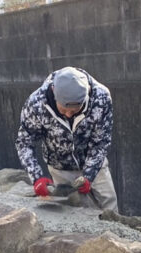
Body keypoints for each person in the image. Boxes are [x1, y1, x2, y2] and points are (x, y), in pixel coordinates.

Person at [15, 66, 118, 212]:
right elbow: (24, 143)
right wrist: (37, 177)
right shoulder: (36, 104)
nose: (69, 115)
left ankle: (114, 233)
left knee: (109, 204)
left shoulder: (101, 98)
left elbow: (100, 142)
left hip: (95, 163)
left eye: (75, 110)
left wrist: (89, 174)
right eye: (63, 110)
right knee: (75, 211)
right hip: (60, 167)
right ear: (53, 92)